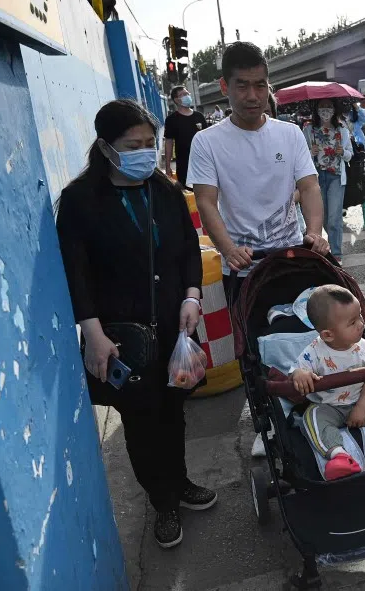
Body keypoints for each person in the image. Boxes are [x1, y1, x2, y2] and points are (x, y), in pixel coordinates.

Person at [56, 99, 217, 549]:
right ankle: (162, 501)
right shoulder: (80, 201)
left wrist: (192, 295)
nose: (146, 152)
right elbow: (76, 273)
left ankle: (181, 481)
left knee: (174, 410)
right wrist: (94, 335)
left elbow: (188, 247)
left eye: (150, 143)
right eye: (134, 145)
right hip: (122, 337)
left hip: (174, 324)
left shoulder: (163, 190)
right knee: (141, 420)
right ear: (107, 148)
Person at [189, 41, 329, 285]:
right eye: (242, 86)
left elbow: (309, 187)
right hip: (242, 267)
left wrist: (314, 233)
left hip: (292, 257)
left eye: (260, 86)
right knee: (247, 323)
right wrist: (229, 249)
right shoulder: (206, 142)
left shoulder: (291, 133)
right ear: (224, 86)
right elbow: (206, 201)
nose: (252, 96)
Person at [290, 285, 365, 480]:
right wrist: (300, 374)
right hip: (329, 407)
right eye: (353, 322)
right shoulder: (314, 353)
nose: (361, 324)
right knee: (312, 416)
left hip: (363, 400)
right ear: (328, 334)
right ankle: (338, 455)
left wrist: (362, 407)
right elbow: (297, 371)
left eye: (360, 316)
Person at [302, 98, 353, 260]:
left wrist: (342, 152)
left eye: (329, 107)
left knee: (334, 218)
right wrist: (311, 151)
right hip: (315, 179)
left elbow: (349, 155)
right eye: (322, 107)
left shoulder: (342, 130)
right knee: (321, 218)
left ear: (334, 109)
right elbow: (301, 155)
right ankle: (326, 249)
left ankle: (336, 254)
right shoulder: (309, 130)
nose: (325, 110)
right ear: (316, 109)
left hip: (336, 177)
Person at [163, 86, 206, 187]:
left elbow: (208, 140)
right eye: (184, 94)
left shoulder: (199, 116)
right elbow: (169, 143)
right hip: (184, 165)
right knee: (189, 195)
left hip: (203, 163)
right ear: (176, 100)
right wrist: (167, 166)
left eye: (188, 94)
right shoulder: (171, 120)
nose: (187, 96)